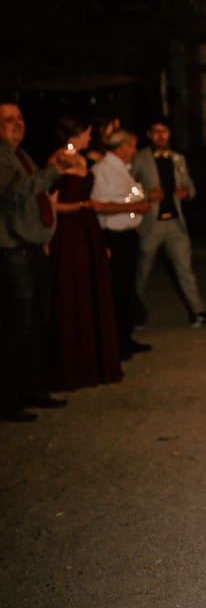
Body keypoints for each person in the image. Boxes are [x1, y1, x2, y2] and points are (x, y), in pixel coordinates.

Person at [0, 100, 75, 421]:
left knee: (38, 321)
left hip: (32, 248)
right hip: (13, 250)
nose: (18, 124)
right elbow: (17, 191)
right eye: (8, 120)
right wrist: (52, 172)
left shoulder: (20, 155)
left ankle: (32, 388)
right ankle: (9, 398)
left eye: (20, 118)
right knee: (18, 325)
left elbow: (36, 194)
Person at [48, 117, 122, 391]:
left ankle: (94, 363)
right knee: (71, 293)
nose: (90, 139)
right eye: (87, 134)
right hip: (68, 233)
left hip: (87, 228)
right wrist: (82, 205)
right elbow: (52, 204)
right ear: (76, 134)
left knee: (91, 292)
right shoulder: (58, 159)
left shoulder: (82, 158)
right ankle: (70, 367)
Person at [131, 118, 206, 328]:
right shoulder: (139, 158)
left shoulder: (177, 158)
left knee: (185, 270)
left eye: (165, 131)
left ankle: (198, 312)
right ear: (149, 134)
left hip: (175, 223)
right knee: (142, 271)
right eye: (156, 131)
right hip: (151, 223)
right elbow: (128, 188)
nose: (161, 135)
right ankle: (131, 313)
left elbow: (191, 187)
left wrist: (186, 193)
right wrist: (145, 195)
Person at [90, 129, 154, 363]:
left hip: (127, 234)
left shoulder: (123, 171)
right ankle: (115, 343)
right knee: (116, 290)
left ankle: (125, 339)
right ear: (121, 147)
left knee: (127, 288)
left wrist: (136, 210)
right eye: (132, 146)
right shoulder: (102, 170)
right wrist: (133, 210)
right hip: (113, 237)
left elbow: (127, 196)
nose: (135, 151)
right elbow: (98, 205)